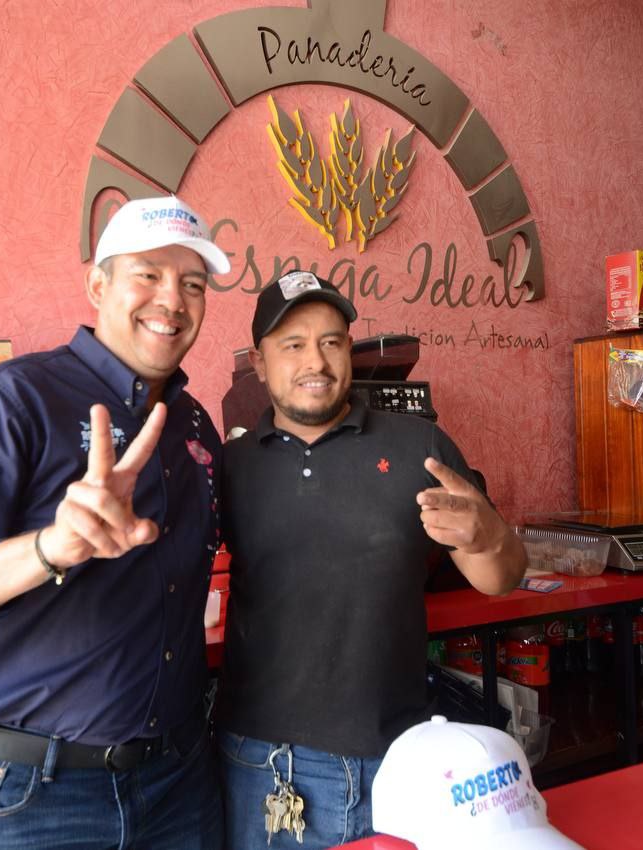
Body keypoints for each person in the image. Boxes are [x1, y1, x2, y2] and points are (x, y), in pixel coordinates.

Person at [0, 195, 230, 850]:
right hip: (29, 797)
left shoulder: (195, 424)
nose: (172, 299)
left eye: (193, 283)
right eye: (148, 274)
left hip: (177, 785)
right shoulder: (14, 400)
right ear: (98, 285)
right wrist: (50, 547)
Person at [216, 270, 527, 849]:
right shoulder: (230, 465)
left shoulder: (419, 446)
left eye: (332, 342)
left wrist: (489, 537)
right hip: (261, 763)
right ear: (259, 363)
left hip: (398, 756)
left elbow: (502, 578)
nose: (317, 361)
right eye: (293, 345)